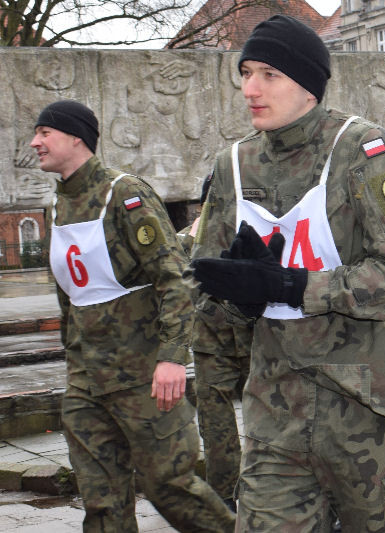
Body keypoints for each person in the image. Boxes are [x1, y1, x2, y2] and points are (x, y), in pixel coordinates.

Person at [190, 16, 385, 531]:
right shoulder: (235, 165)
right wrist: (238, 292)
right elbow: (207, 288)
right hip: (275, 411)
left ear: (308, 86)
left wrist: (293, 286)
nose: (250, 88)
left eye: (268, 74)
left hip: (367, 405)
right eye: (246, 72)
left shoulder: (361, 150)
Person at [32, 99, 235, 531]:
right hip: (87, 380)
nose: (35, 142)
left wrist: (172, 356)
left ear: (75, 137)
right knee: (101, 502)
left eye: (44, 133)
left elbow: (175, 278)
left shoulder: (123, 194)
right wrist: (73, 362)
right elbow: (70, 295)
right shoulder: (57, 207)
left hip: (142, 376)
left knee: (171, 489)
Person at [179, 174, 253, 512]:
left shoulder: (252, 232)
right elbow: (175, 282)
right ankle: (224, 496)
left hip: (255, 339)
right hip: (211, 342)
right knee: (216, 423)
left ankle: (267, 491)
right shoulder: (184, 241)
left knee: (269, 421)